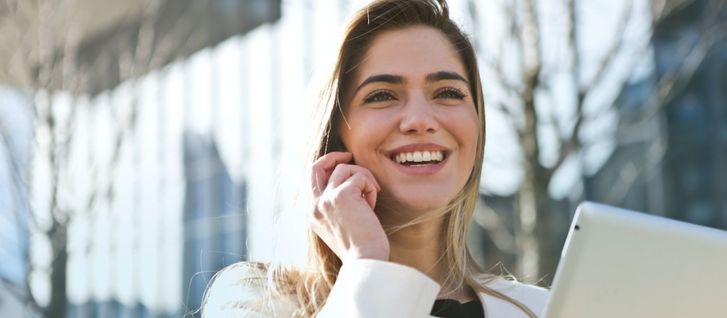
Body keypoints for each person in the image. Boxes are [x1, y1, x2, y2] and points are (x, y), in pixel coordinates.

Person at [202, 0, 548, 317]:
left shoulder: (543, 309)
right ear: (336, 135)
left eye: (447, 92)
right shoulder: (254, 303)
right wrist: (366, 266)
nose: (420, 120)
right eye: (382, 95)